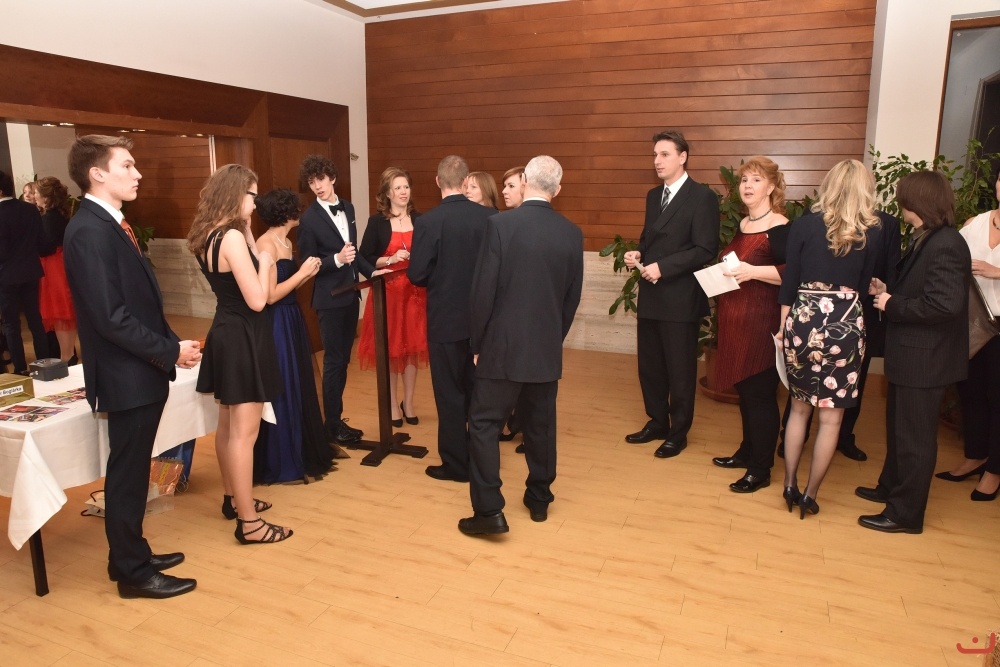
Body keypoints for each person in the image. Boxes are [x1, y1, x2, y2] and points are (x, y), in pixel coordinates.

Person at [63, 135, 200, 598]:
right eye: (127, 165)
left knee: (134, 468)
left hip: (138, 369)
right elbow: (111, 317)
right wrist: (169, 351)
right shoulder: (90, 230)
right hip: (126, 373)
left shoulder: (109, 223)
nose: (137, 173)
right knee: (126, 473)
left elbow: (138, 304)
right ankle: (133, 573)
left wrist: (170, 343)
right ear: (97, 173)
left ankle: (127, 554)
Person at [459, 155, 583, 535]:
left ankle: (489, 512)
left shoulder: (500, 225)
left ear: (525, 181)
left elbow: (483, 291)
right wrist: (552, 338)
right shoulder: (571, 233)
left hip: (501, 346)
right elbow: (571, 297)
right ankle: (539, 498)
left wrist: (478, 343)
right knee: (541, 425)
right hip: (544, 347)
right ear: (557, 189)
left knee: (484, 424)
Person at [856, 171, 971, 532]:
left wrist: (892, 304)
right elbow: (923, 290)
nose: (898, 202)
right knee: (899, 431)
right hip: (912, 356)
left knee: (915, 440)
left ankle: (905, 514)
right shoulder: (927, 237)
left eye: (902, 197)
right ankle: (890, 488)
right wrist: (887, 290)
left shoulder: (947, 243)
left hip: (926, 360)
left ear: (916, 201)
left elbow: (944, 305)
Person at [188, 164, 290, 544]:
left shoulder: (210, 234)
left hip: (226, 330)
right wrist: (264, 261)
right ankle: (249, 523)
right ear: (235, 195)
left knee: (229, 427)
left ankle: (233, 499)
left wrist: (248, 230)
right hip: (244, 335)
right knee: (243, 435)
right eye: (252, 195)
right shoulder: (230, 238)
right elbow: (259, 300)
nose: (256, 202)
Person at [778, 159, 880, 519]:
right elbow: (864, 288)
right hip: (846, 322)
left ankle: (788, 484)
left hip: (804, 318)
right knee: (832, 420)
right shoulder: (871, 231)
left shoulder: (804, 224)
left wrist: (783, 328)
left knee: (799, 409)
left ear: (829, 185)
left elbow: (789, 282)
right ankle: (810, 495)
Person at [623, 130, 720, 458]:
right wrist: (638, 253)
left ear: (683, 157)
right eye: (655, 154)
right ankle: (657, 422)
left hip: (680, 298)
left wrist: (663, 267)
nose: (657, 160)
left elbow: (705, 248)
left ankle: (678, 433)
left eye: (664, 154)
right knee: (650, 367)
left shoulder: (702, 197)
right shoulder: (654, 196)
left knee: (680, 371)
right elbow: (648, 238)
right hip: (651, 295)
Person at [408, 155, 492, 483]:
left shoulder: (428, 222)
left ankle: (456, 464)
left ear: (437, 181)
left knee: (449, 393)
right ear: (466, 180)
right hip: (482, 320)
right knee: (479, 392)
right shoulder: (490, 217)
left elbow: (417, 274)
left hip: (444, 319)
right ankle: (482, 458)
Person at [710, 157, 790, 494]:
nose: (747, 185)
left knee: (759, 396)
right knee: (746, 393)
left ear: (771, 187)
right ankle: (747, 452)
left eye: (756, 180)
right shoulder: (744, 224)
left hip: (761, 324)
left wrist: (753, 271)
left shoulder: (781, 226)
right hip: (736, 324)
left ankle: (761, 469)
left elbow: (793, 274)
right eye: (744, 180)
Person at [252, 188, 334, 484]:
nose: (300, 211)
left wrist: (306, 274)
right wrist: (302, 274)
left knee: (298, 381)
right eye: (295, 208)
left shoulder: (285, 241)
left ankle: (301, 447)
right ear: (285, 212)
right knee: (284, 383)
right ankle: (282, 458)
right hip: (276, 322)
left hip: (292, 318)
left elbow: (287, 288)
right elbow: (270, 296)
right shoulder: (266, 244)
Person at [297, 155, 375, 446]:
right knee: (333, 362)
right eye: (311, 181)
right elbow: (307, 264)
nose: (317, 186)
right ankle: (331, 426)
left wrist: (373, 272)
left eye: (321, 179)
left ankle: (335, 420)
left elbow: (354, 252)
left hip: (350, 295)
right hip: (329, 300)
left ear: (332, 178)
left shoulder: (349, 207)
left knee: (343, 362)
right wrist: (336, 260)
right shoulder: (308, 220)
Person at [940, 167, 1000, 501]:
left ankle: (994, 471)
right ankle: (975, 456)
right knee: (971, 392)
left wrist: (997, 272)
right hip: (972, 322)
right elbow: (951, 261)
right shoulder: (975, 223)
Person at [358, 167, 428, 426]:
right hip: (388, 295)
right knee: (391, 350)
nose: (403, 192)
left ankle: (408, 403)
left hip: (415, 295)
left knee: (412, 350)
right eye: (397, 188)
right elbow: (364, 258)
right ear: (387, 193)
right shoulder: (377, 222)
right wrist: (389, 259)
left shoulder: (421, 220)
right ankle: (391, 403)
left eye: (406, 187)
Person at [0, 170, 50, 375]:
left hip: (5, 275)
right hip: (30, 271)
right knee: (35, 320)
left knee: (11, 324)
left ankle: (20, 368)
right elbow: (42, 244)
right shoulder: (30, 210)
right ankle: (46, 364)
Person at [35, 176, 79, 364]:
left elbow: (46, 247)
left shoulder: (49, 218)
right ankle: (67, 355)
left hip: (54, 268)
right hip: (59, 265)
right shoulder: (61, 215)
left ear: (46, 197)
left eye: (36, 193)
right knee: (63, 310)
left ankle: (67, 357)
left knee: (60, 311)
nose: (35, 196)